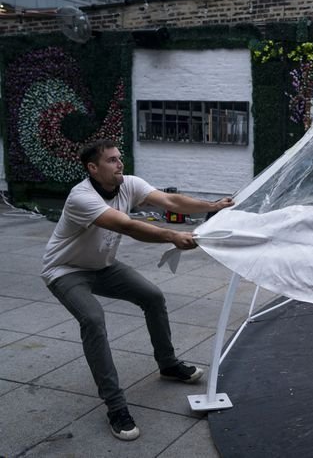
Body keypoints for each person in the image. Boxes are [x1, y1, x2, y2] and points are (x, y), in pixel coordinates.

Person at [41, 139, 234, 441]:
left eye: (119, 158)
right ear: (92, 168)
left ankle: (168, 364)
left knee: (152, 297)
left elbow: (171, 202)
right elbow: (127, 226)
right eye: (111, 160)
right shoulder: (81, 197)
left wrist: (212, 206)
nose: (119, 164)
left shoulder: (128, 184)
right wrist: (171, 235)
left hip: (102, 267)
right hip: (65, 270)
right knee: (92, 319)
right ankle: (116, 406)